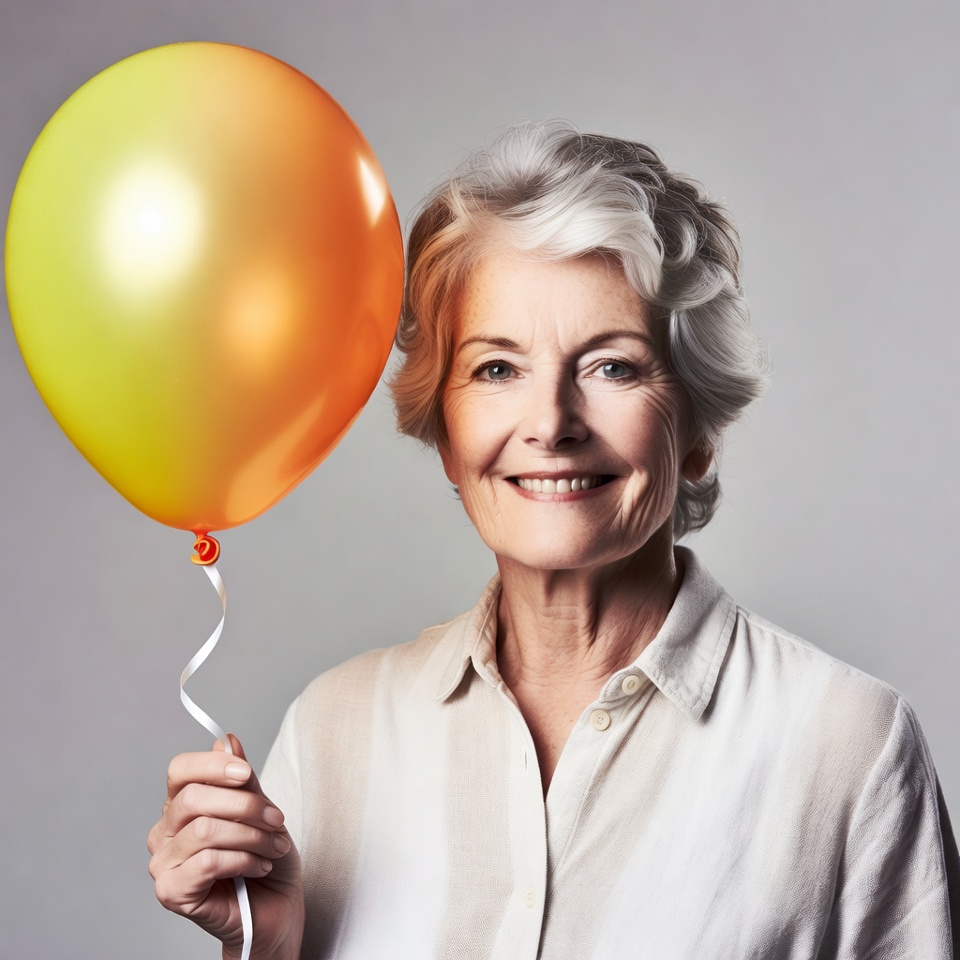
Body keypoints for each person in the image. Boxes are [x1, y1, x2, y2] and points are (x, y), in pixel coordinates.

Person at [148, 121, 960, 959]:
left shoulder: (846, 744)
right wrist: (267, 944)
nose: (551, 423)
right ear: (445, 433)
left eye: (613, 365)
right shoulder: (335, 729)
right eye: (496, 368)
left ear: (699, 431)